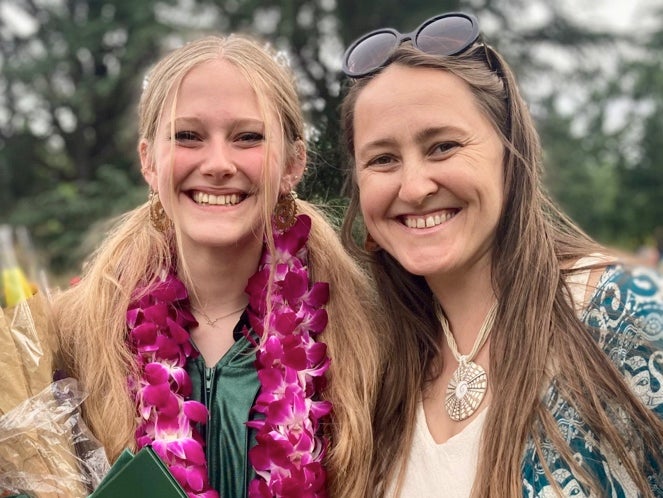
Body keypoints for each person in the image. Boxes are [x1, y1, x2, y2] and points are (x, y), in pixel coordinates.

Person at [339, 12, 663, 497]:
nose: (414, 186)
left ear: (511, 154)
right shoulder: (373, 358)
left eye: (443, 146)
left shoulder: (626, 313)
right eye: (383, 159)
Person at [52, 34, 380, 498]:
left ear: (293, 163)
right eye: (188, 136)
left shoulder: (365, 333)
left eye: (248, 137)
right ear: (149, 160)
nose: (218, 163)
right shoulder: (71, 337)